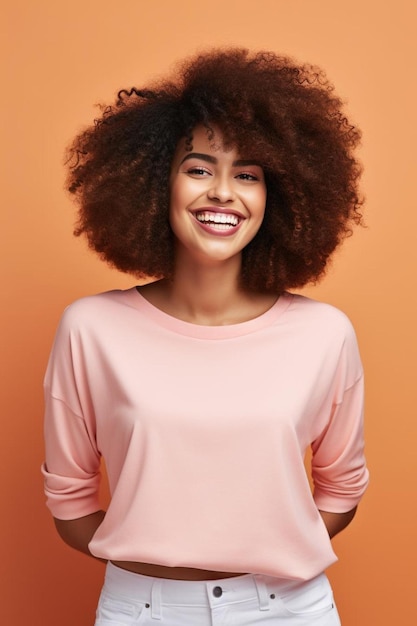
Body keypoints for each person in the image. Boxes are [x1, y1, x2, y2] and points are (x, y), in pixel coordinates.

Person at [42, 48, 369, 625]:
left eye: (248, 175)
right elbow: (69, 502)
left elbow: (342, 486)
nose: (223, 192)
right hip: (141, 610)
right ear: (154, 183)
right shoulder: (90, 329)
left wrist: (271, 549)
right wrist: (146, 565)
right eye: (198, 168)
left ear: (279, 198)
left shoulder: (324, 334)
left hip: (288, 608)